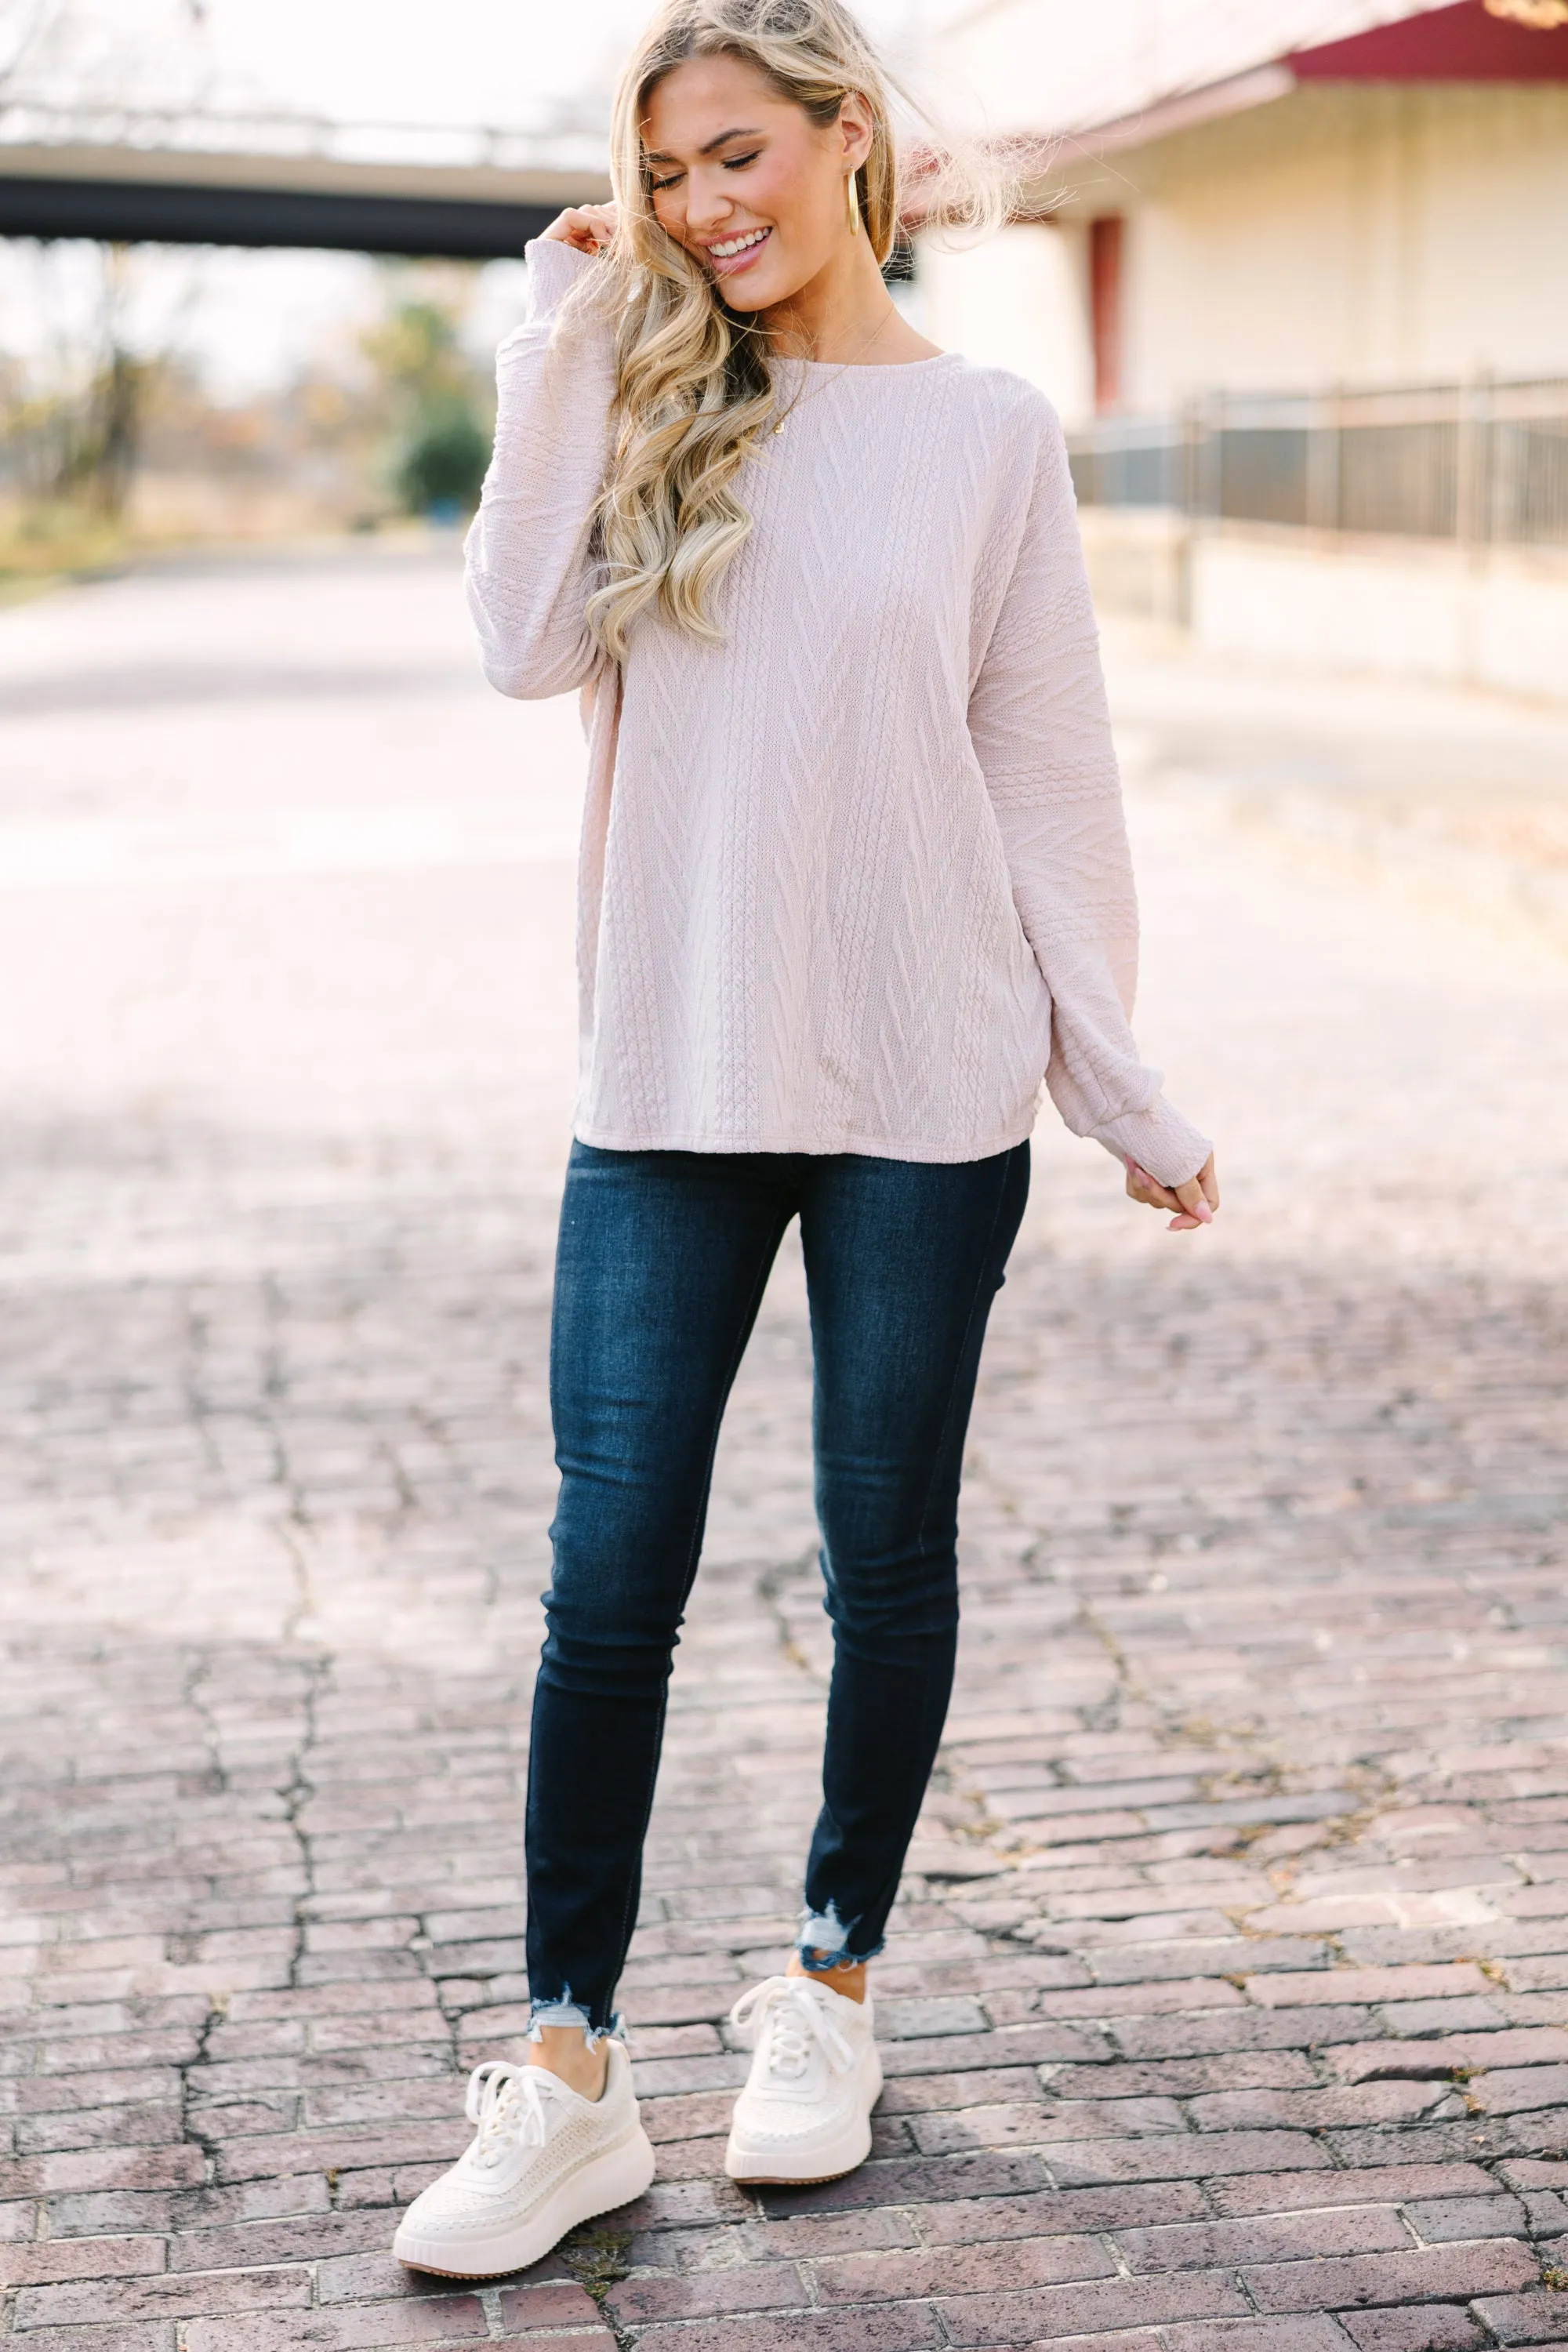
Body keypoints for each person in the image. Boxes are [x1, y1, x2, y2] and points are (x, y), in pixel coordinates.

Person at [391, 0, 1218, 2283]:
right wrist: (564, 339)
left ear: (850, 141)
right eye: (669, 176)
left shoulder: (981, 437)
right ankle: (567, 2072)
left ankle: (828, 1992)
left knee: (887, 1557)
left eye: (739, 157)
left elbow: (1045, 777)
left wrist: (1118, 1079)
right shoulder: (646, 385)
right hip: (667, 1077)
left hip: (923, 1094)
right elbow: (517, 640)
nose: (704, 210)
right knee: (608, 1574)